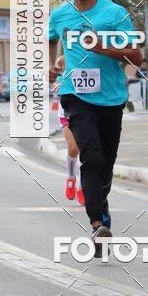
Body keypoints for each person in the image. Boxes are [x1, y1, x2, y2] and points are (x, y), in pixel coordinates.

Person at [48, 0, 142, 256]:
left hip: (111, 98)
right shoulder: (60, 15)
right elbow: (50, 39)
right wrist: (51, 65)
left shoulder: (114, 14)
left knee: (106, 163)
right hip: (75, 94)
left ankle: (100, 210)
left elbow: (136, 57)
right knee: (91, 156)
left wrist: (104, 49)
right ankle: (96, 223)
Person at [55, 54, 85, 205]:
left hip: (89, 110)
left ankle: (83, 185)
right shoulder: (67, 58)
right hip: (67, 111)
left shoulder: (96, 56)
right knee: (73, 148)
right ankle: (71, 177)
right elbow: (57, 67)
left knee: (88, 152)